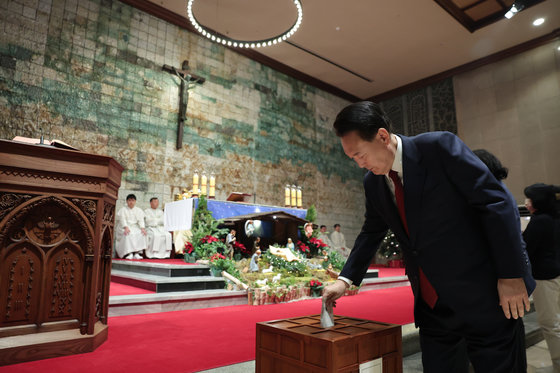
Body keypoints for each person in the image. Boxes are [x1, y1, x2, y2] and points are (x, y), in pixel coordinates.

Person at [323, 101, 535, 373]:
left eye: (360, 155)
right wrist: (346, 279)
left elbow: (497, 203)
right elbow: (371, 230)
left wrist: (511, 275)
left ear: (382, 137)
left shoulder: (438, 149)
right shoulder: (373, 182)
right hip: (433, 308)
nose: (359, 164)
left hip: (484, 296)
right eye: (353, 159)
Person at [523, 183, 560, 372]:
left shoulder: (539, 221)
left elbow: (526, 247)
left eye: (529, 198)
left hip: (544, 278)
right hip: (556, 273)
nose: (526, 202)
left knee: (549, 324)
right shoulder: (554, 216)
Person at [115, 194, 147, 259]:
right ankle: (128, 253)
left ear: (135, 201)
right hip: (124, 226)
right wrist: (125, 227)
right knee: (128, 233)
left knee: (141, 233)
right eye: (129, 200)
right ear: (127, 201)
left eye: (133, 200)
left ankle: (137, 253)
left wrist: (142, 228)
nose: (131, 202)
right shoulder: (123, 210)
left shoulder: (139, 210)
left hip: (135, 226)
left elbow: (141, 220)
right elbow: (122, 219)